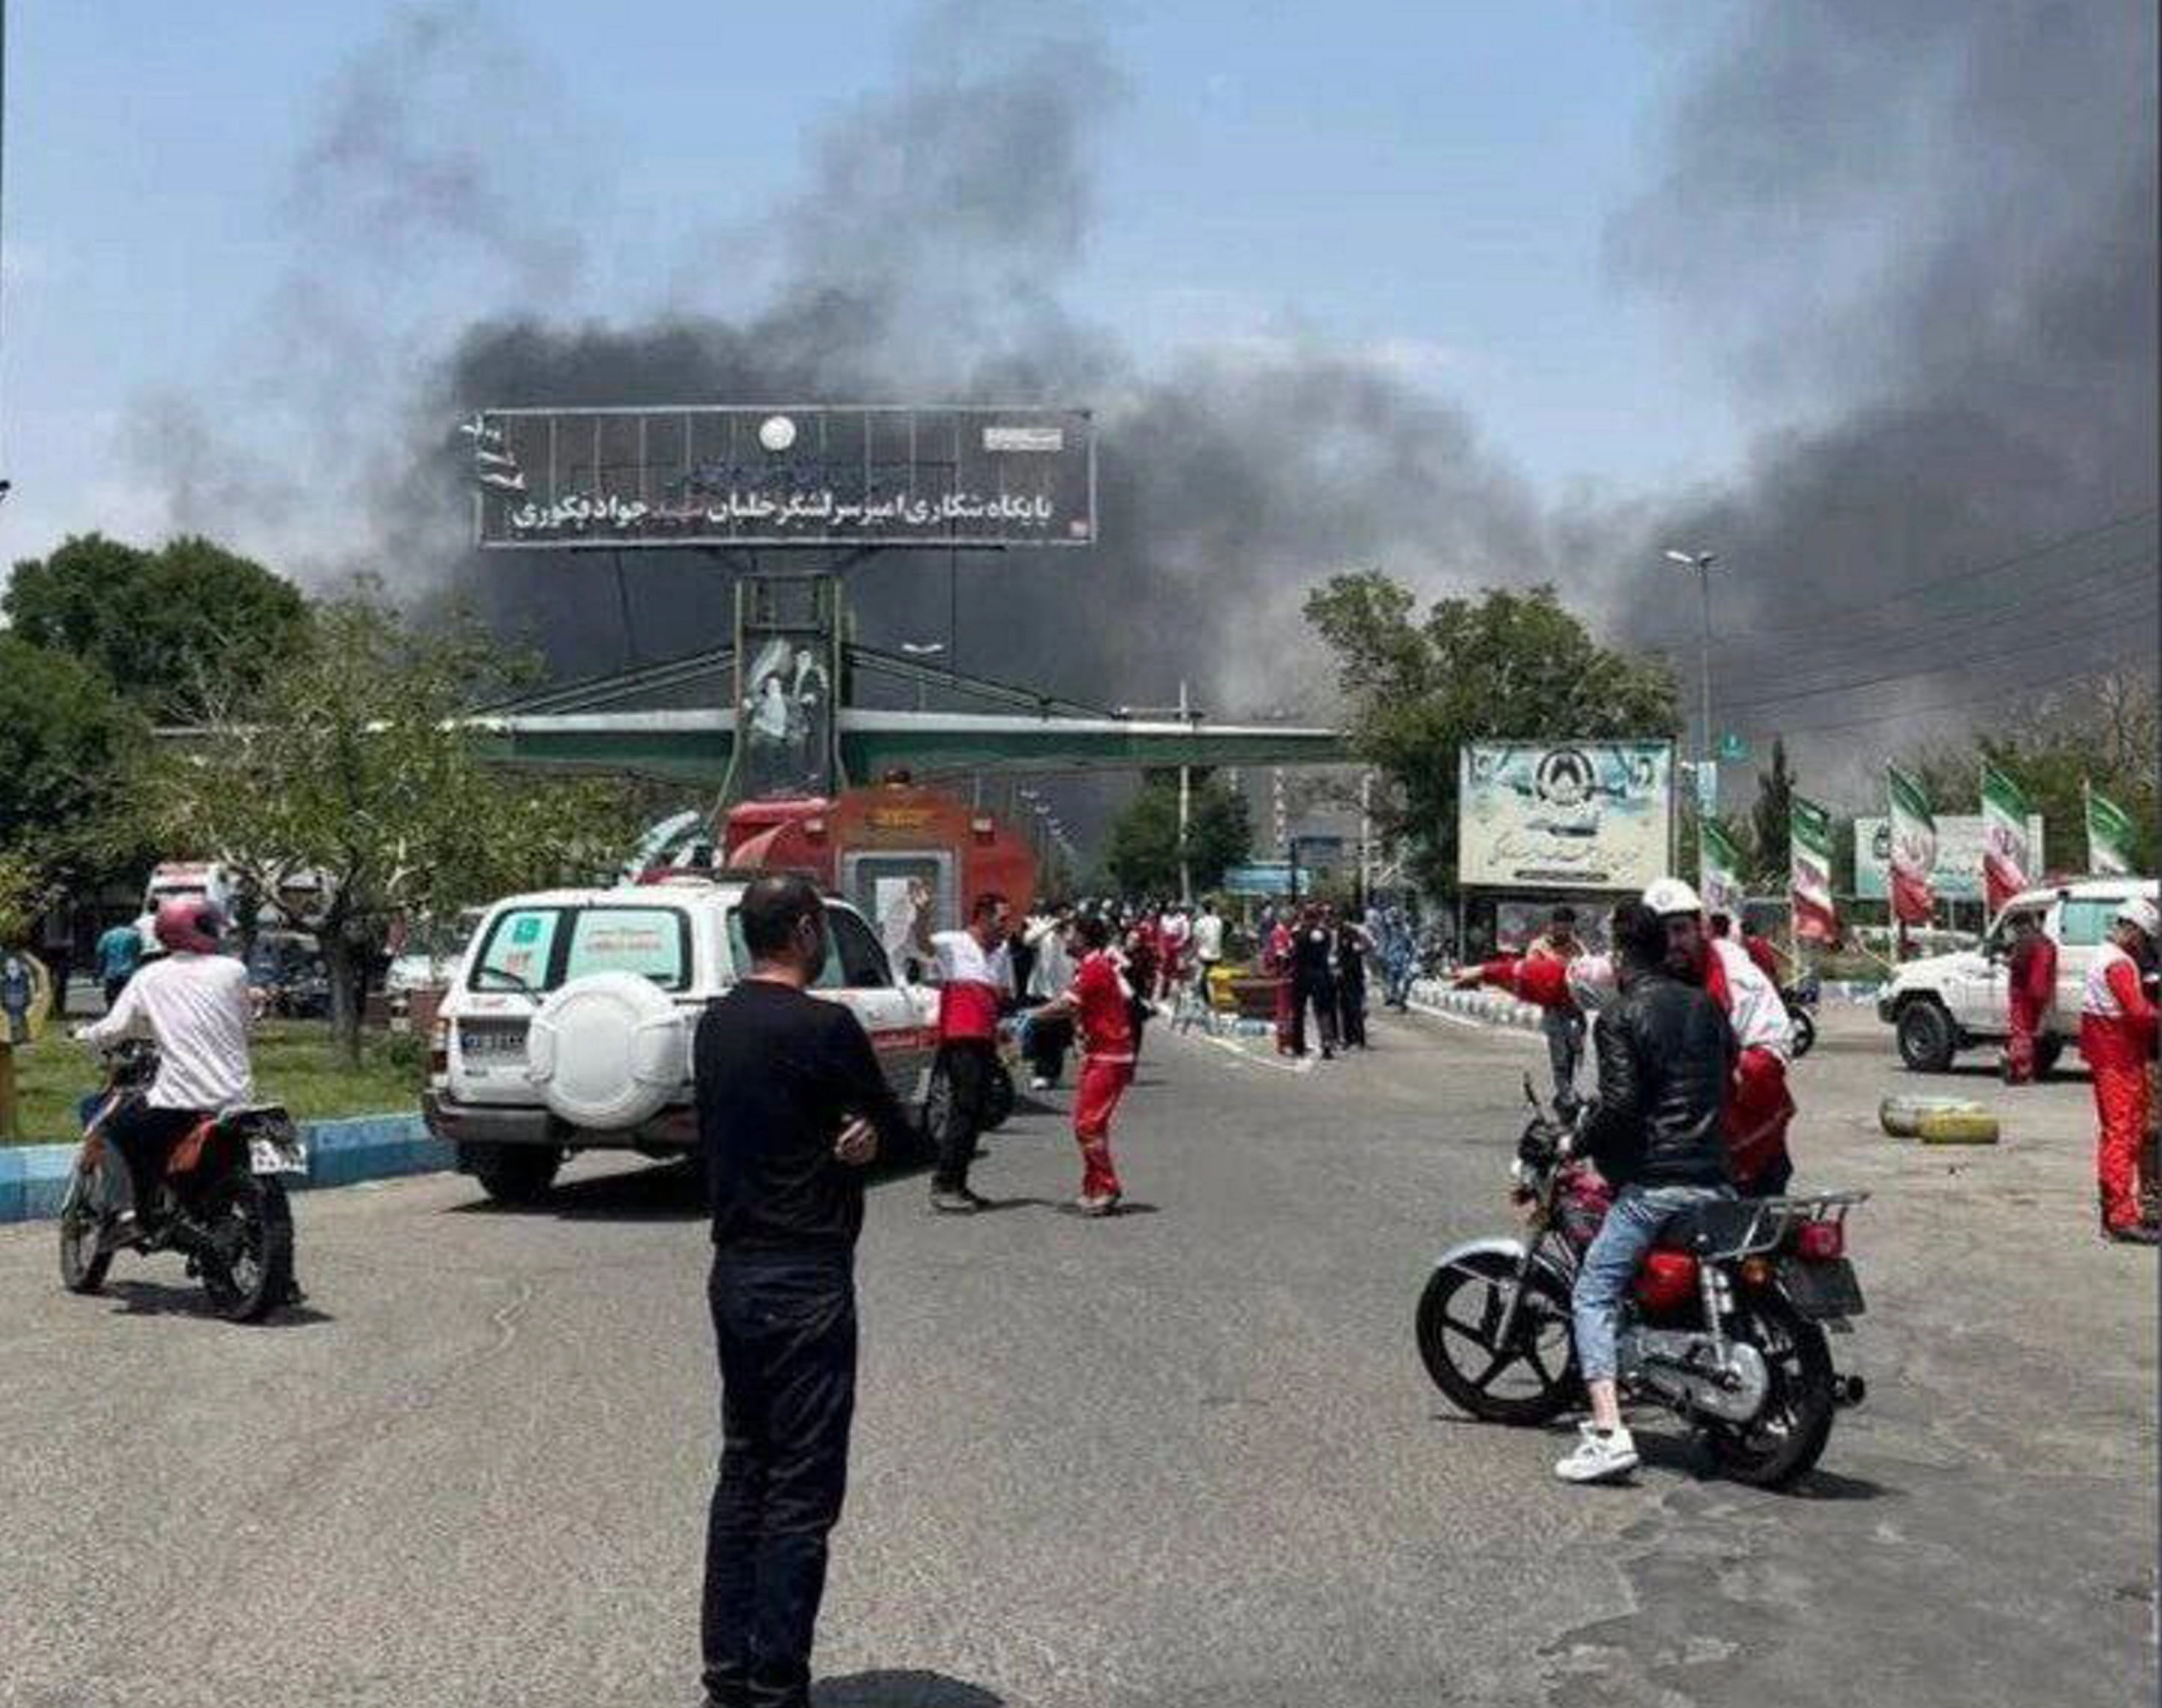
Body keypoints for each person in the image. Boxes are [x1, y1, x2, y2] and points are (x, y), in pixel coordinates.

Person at [693, 874, 915, 1708]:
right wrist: (865, 1139)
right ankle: (776, 1682)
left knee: (744, 1468)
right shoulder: (826, 1026)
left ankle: (728, 1676)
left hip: (736, 1268)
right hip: (807, 1274)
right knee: (800, 1487)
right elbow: (897, 1136)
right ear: (803, 929)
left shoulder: (716, 1024)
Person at [1555, 899, 1736, 1484]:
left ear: (1618, 957)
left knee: (1592, 1294)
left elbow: (1621, 1105)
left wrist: (1575, 1142)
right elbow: (1727, 1076)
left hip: (1657, 1184)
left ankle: (1609, 1432)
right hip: (1718, 1179)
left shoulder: (1619, 1015)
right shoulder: (1707, 1006)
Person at [76, 898, 255, 1236]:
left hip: (181, 1102)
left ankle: (130, 1214)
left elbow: (115, 1028)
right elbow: (244, 1024)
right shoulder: (234, 970)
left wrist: (86, 1035)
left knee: (106, 1124)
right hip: (237, 1099)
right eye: (209, 925)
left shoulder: (149, 976)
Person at [1644, 878, 1796, 1196]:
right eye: (1661, 933)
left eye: (1680, 930)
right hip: (1676, 1155)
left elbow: (1771, 1052)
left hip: (1751, 1148)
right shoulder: (1642, 972)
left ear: (1699, 928)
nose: (1672, 942)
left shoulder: (1736, 976)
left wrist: (1712, 1080)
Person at [1026, 912, 1135, 1214]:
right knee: (1088, 1124)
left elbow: (1067, 1004)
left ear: (1084, 938)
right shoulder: (1088, 966)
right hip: (1101, 1053)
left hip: (1110, 1056)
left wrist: (1032, 1016)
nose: (1065, 937)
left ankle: (1106, 1187)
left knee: (1088, 1125)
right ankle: (1095, 1187)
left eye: (1070, 932)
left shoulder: (1095, 967)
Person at [925, 892, 1013, 1214]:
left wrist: (1002, 1032)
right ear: (983, 917)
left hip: (985, 1038)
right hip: (960, 1038)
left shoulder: (1000, 952)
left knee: (976, 1111)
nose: (1006, 926)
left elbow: (1002, 994)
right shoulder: (953, 942)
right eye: (1001, 919)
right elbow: (922, 944)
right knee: (963, 1110)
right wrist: (922, 912)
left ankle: (959, 1183)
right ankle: (944, 1184)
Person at [2082, 898, 2159, 1243]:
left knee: (2116, 1134)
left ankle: (2112, 1212)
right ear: (2134, 930)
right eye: (2143, 937)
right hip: (2119, 1059)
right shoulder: (2119, 964)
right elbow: (2139, 1014)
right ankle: (2120, 1218)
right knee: (2122, 1135)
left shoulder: (2102, 955)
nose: (2143, 945)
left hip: (2108, 1058)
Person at [1526, 905, 1586, 1104]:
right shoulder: (1538, 946)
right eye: (1561, 926)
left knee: (1575, 1050)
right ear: (1552, 925)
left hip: (1575, 1007)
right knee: (1560, 1054)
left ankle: (1568, 1091)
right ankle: (1566, 1095)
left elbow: (1587, 970)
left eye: (1568, 927)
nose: (1564, 931)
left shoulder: (1577, 946)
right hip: (1554, 1009)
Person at [1022, 904, 1075, 1090]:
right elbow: (1028, 940)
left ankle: (1054, 1074)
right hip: (1043, 991)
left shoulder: (1070, 934)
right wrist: (1051, 925)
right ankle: (1040, 1073)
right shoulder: (1043, 932)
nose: (1065, 919)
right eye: (1062, 915)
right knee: (1043, 1033)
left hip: (1065, 991)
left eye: (1067, 916)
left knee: (1059, 1036)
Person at [2002, 912, 2059, 1085]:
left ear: (2022, 926)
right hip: (2040, 993)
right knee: (2030, 1033)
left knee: (2021, 1033)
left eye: (2015, 928)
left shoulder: (2025, 942)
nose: (2014, 932)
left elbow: (2020, 965)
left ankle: (2020, 1070)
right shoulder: (2047, 943)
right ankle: (2023, 1067)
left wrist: (2007, 961)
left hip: (2023, 994)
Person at [1289, 904, 1339, 1060]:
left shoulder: (1298, 934)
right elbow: (1328, 951)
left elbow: (1294, 954)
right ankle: (1326, 1045)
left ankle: (1298, 1046)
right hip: (1321, 975)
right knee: (1323, 1012)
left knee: (1298, 1011)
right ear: (1318, 918)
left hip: (1301, 975)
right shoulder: (1326, 933)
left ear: (1304, 917)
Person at [1335, 910, 1374, 1050]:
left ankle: (1358, 1039)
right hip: (1343, 977)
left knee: (1355, 1008)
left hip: (1353, 977)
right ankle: (1348, 1038)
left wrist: (1343, 969)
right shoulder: (1340, 933)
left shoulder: (1353, 933)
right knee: (1344, 1008)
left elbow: (1357, 954)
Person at [96, 917, 144, 1010]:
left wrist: (98, 971)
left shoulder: (107, 935)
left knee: (111, 998)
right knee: (127, 997)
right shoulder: (133, 935)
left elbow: (100, 953)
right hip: (129, 971)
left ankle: (112, 1014)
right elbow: (138, 953)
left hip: (111, 972)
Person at [1190, 897, 1227, 1009]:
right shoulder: (1218, 921)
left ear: (1202, 909)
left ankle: (1206, 1003)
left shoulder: (1199, 922)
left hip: (1204, 956)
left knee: (1200, 979)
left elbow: (1195, 942)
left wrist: (1192, 956)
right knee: (1213, 979)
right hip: (1217, 955)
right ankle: (1213, 1001)